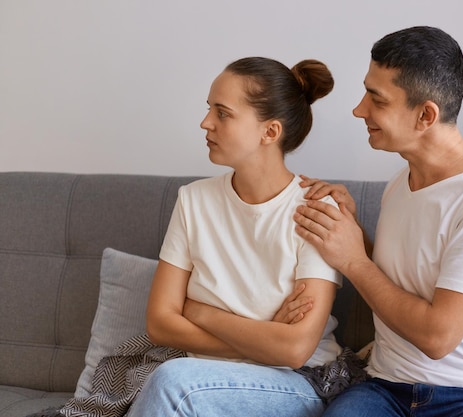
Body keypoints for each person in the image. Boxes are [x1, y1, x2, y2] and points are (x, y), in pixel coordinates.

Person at [293, 26, 463, 417]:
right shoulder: (402, 182)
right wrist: (354, 236)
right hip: (385, 388)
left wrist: (353, 260)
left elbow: (436, 336)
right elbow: (399, 278)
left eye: (377, 99)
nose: (359, 110)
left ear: (426, 115)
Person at [126, 57, 342, 417]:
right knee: (175, 379)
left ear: (269, 132)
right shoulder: (193, 199)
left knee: (171, 382)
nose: (205, 122)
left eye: (222, 113)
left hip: (294, 379)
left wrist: (198, 312)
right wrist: (265, 335)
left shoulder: (315, 209)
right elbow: (160, 323)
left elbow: (293, 350)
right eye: (209, 109)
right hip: (205, 373)